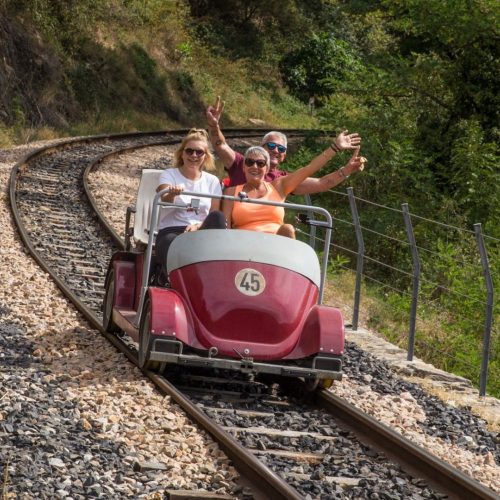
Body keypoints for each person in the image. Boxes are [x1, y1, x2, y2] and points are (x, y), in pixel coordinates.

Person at [206, 96, 365, 194]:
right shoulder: (243, 163)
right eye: (271, 146)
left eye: (281, 149)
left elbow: (322, 183)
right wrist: (214, 126)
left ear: (284, 155)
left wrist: (347, 169)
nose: (276, 150)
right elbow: (220, 145)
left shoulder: (284, 180)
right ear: (261, 147)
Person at [222, 146, 366, 239]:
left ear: (266, 169)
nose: (255, 166)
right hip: (242, 244)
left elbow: (309, 169)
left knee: (288, 229)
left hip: (275, 246)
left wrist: (335, 150)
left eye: (260, 163)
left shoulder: (278, 186)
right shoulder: (232, 192)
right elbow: (225, 228)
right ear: (243, 167)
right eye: (250, 162)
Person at [155, 128, 225, 281]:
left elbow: (214, 212)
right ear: (182, 153)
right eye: (189, 151)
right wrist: (172, 193)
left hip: (201, 232)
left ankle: (214, 277)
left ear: (205, 157)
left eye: (199, 152)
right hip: (173, 230)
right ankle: (173, 278)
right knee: (170, 243)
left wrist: (199, 226)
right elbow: (163, 197)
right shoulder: (169, 175)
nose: (194, 155)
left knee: (219, 216)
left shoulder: (212, 181)